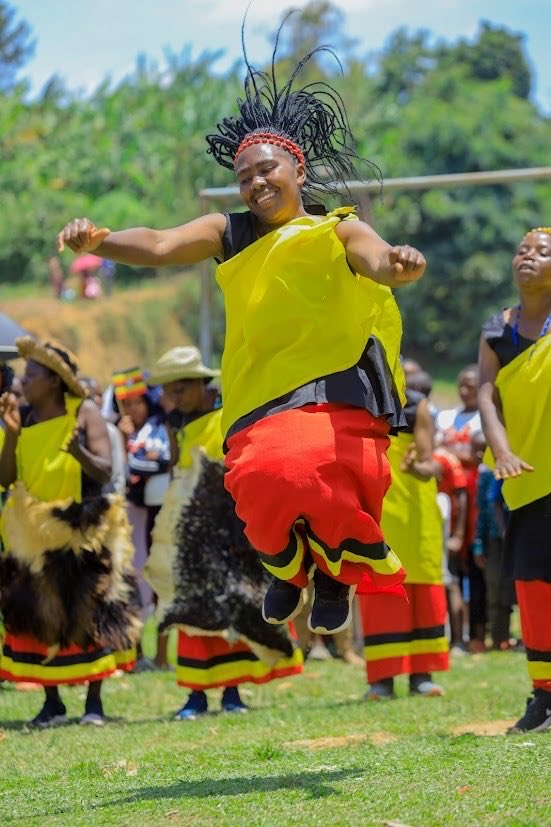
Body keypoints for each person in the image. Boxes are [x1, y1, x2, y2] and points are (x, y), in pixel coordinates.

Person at [57, 33, 426, 637]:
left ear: (297, 169)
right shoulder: (228, 232)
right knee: (257, 482)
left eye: (267, 170)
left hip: (334, 381)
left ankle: (334, 576)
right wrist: (101, 240)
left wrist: (399, 266)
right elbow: (158, 244)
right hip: (259, 386)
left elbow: (380, 259)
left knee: (316, 470)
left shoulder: (337, 230)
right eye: (244, 175)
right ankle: (286, 568)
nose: (255, 183)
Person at [144, 346, 303, 719]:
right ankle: (195, 696)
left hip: (230, 527)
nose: (175, 397)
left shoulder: (228, 417)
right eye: (169, 390)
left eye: (182, 388)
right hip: (191, 532)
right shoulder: (175, 425)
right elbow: (175, 474)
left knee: (231, 606)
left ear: (202, 384)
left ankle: (232, 692)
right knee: (192, 610)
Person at [0, 338, 141, 727]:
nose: (22, 382)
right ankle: (52, 702)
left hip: (81, 530)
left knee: (89, 616)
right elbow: (6, 477)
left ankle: (93, 704)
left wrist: (78, 452)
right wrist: (11, 435)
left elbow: (104, 469)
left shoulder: (84, 412)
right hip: (33, 536)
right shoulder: (23, 417)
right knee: (39, 614)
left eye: (32, 375)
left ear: (54, 380)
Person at [478, 227, 551, 734]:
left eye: (542, 252)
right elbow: (486, 394)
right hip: (524, 478)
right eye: (521, 250)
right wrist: (500, 450)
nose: (527, 257)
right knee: (532, 586)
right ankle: (544, 697)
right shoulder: (495, 329)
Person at [360, 376, 448, 699]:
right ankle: (381, 680)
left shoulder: (417, 405)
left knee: (420, 590)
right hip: (376, 509)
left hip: (414, 511)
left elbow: (430, 464)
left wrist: (414, 469)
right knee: (380, 589)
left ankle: (421, 676)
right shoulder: (361, 398)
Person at [114, 368, 172, 670]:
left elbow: (158, 463)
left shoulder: (158, 428)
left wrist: (129, 448)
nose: (131, 410)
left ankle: (161, 657)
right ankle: (134, 655)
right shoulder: (118, 430)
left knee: (160, 582)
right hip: (127, 518)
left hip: (154, 517)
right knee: (130, 583)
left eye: (137, 403)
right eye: (125, 405)